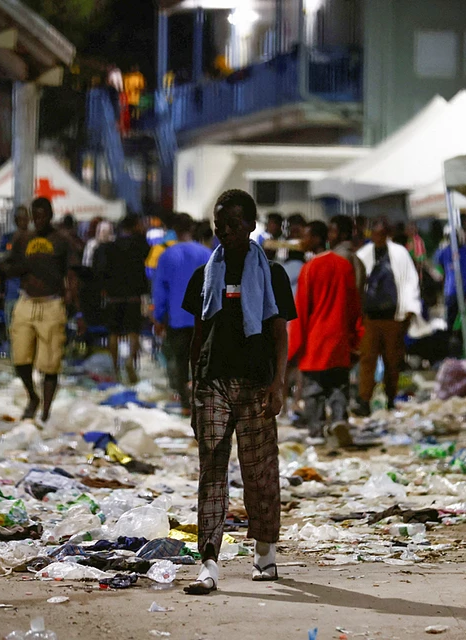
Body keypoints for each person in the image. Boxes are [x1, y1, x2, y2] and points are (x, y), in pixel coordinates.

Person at [181, 189, 295, 594]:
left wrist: (278, 384)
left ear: (250, 225)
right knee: (211, 469)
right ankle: (208, 563)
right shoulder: (204, 275)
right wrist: (192, 387)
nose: (224, 232)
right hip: (213, 383)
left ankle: (265, 553)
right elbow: (198, 336)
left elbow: (280, 334)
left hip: (256, 385)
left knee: (259, 472)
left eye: (232, 225)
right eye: (218, 226)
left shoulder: (274, 276)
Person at [6, 197, 78, 422]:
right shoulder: (22, 238)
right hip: (26, 301)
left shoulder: (62, 240)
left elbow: (72, 272)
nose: (38, 221)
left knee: (50, 362)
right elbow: (11, 265)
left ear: (50, 215)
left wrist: (71, 296)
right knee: (20, 358)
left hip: (52, 302)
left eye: (42, 216)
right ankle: (32, 397)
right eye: (34, 216)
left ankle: (45, 411)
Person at [289, 221, 360, 443]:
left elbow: (301, 310)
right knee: (338, 385)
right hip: (339, 337)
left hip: (315, 339)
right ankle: (339, 420)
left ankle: (317, 430)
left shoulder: (309, 269)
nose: (304, 241)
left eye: (307, 236)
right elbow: (354, 305)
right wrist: (355, 336)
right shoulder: (343, 265)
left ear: (318, 239)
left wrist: (293, 348)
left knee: (314, 389)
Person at [355, 220, 421, 416]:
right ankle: (365, 400)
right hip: (370, 318)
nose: (378, 238)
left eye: (382, 234)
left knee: (393, 361)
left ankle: (391, 398)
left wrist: (409, 310)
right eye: (375, 234)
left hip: (393, 317)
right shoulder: (364, 254)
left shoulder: (400, 254)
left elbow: (410, 281)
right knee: (368, 360)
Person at [153, 213, 212, 408]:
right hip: (203, 317)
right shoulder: (206, 254)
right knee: (201, 362)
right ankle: (201, 400)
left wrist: (158, 317)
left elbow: (160, 290)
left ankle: (186, 402)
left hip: (177, 318)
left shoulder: (167, 255)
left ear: (174, 230)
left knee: (179, 362)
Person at [95, 216, 150, 383]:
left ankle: (115, 367)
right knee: (134, 331)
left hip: (113, 296)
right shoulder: (140, 246)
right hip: (133, 295)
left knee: (113, 333)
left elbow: (100, 271)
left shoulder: (108, 248)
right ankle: (130, 362)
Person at [433, 230, 466, 329]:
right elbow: (439, 267)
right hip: (451, 290)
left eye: (457, 237)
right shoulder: (444, 251)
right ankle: (451, 338)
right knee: (451, 318)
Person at [0, 206, 31, 340]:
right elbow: (0, 261)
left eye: (25, 218)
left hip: (30, 293)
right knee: (13, 332)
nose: (22, 222)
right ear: (15, 220)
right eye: (19, 219)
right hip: (12, 292)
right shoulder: (7, 238)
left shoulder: (34, 238)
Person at [329, 215, 366, 298]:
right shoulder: (352, 255)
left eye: (332, 232)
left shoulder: (341, 256)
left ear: (343, 235)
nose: (329, 235)